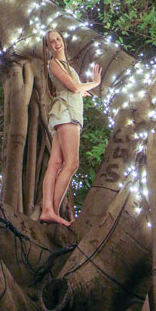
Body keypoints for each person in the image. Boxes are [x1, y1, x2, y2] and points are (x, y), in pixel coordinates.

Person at [39, 29, 102, 226]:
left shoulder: (69, 67)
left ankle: (48, 210)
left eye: (58, 38)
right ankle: (52, 212)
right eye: (52, 41)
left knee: (56, 164)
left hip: (68, 114)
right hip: (66, 114)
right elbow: (74, 88)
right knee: (72, 163)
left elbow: (76, 89)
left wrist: (84, 90)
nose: (56, 43)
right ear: (48, 47)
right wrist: (94, 82)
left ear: (63, 41)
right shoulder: (53, 63)